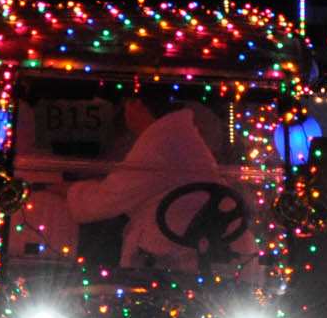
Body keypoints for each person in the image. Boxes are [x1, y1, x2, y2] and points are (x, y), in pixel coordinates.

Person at [68, 87, 241, 270]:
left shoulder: (162, 140)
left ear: (137, 104)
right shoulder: (177, 134)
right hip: (190, 254)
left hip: (168, 260)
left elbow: (107, 200)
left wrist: (68, 190)